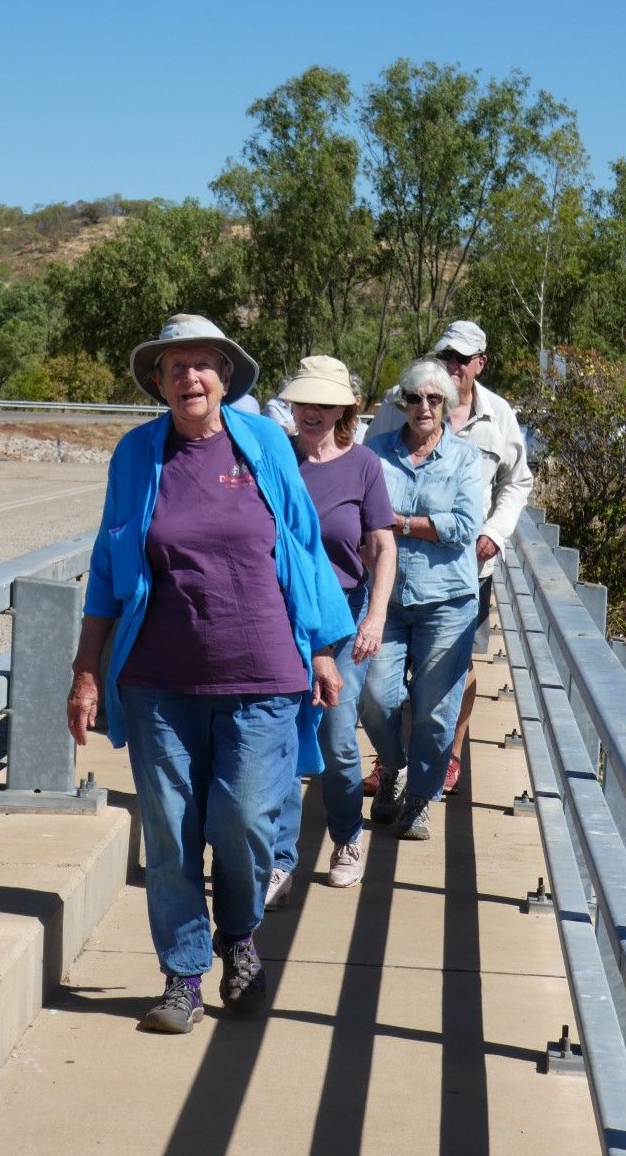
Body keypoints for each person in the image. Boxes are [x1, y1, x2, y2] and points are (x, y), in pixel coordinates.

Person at [66, 314, 353, 1036]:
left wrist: (321, 647)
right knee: (169, 830)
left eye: (203, 365)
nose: (189, 377)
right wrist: (86, 670)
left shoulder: (264, 448)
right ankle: (183, 975)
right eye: (174, 367)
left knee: (245, 819)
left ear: (225, 378)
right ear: (158, 382)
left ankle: (240, 938)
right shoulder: (136, 456)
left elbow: (305, 547)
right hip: (159, 680)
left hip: (262, 671)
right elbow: (109, 564)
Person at [364, 320, 532, 794]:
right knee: (386, 679)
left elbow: (517, 482)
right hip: (393, 572)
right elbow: (367, 466)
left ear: (481, 363)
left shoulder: (498, 415)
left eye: (463, 358)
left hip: (467, 568)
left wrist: (495, 533)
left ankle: (448, 756)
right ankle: (392, 761)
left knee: (456, 668)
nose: (453, 366)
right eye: (446, 356)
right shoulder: (404, 399)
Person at [266, 356, 396, 904]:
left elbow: (384, 546)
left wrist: (376, 616)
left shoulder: (363, 464)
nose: (312, 412)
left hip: (342, 616)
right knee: (277, 740)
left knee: (337, 737)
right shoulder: (275, 459)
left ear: (345, 408)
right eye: (303, 401)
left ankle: (346, 837)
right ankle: (279, 860)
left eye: (324, 403)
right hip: (277, 616)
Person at [360, 357, 485, 841]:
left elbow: (462, 528)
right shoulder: (376, 454)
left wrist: (401, 524)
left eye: (434, 399)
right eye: (415, 398)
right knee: (373, 696)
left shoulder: (465, 459)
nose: (424, 407)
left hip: (446, 600)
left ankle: (420, 797)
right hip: (386, 600)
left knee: (435, 709)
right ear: (403, 403)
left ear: (448, 405)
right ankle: (392, 766)